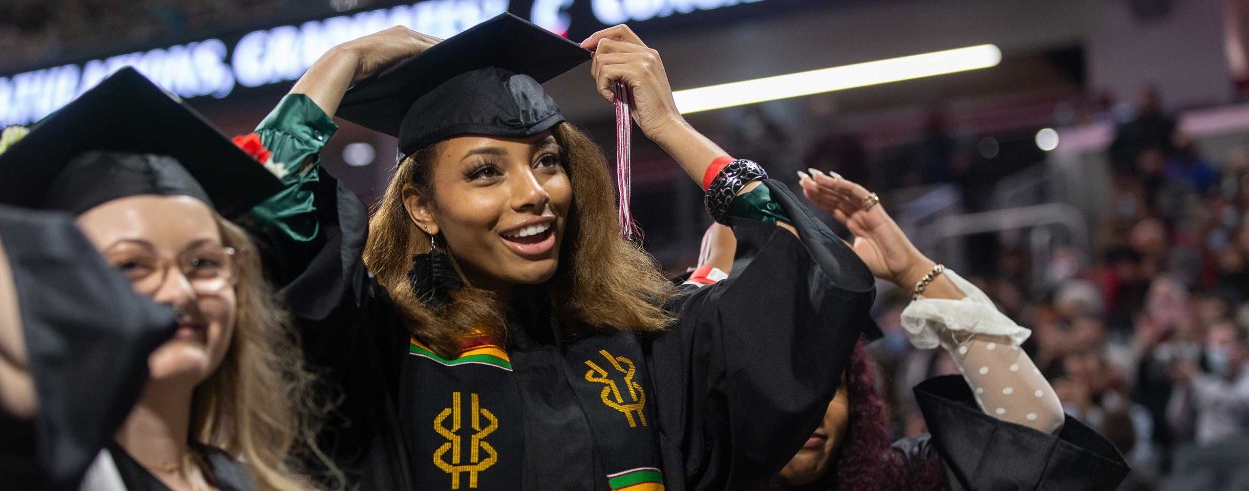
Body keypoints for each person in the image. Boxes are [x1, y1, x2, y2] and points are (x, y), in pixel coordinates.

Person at [246, 14, 875, 490]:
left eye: (547, 162)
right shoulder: (382, 351)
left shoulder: (651, 342)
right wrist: (343, 60)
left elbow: (822, 277)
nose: (534, 194)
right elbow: (268, 217)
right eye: (485, 172)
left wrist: (668, 126)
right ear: (421, 207)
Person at [0, 68, 334, 491]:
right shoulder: (30, 473)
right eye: (131, 265)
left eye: (203, 263)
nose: (179, 291)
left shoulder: (265, 484)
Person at [744, 170, 1130, 490]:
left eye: (832, 388)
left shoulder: (904, 478)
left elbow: (1030, 431)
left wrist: (912, 270)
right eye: (790, 389)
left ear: (858, 400)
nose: (815, 411)